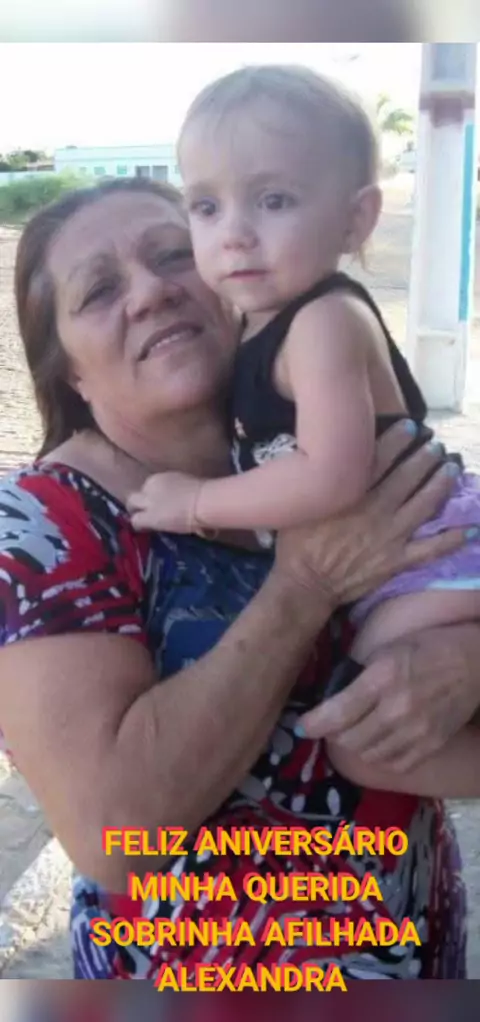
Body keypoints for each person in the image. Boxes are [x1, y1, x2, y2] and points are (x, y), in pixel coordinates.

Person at [0, 179, 479, 983]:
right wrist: (303, 588)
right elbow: (113, 831)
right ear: (70, 373)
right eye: (101, 291)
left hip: (414, 948)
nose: (151, 292)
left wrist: (467, 662)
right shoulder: (41, 525)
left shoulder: (330, 448)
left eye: (172, 255)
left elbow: (457, 560)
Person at [127, 66, 480, 728]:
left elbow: (330, 475)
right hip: (394, 564)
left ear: (355, 219)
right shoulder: (256, 324)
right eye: (206, 207)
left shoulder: (322, 322)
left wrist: (197, 503)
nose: (234, 233)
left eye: (274, 200)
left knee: (370, 725)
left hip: (433, 551)